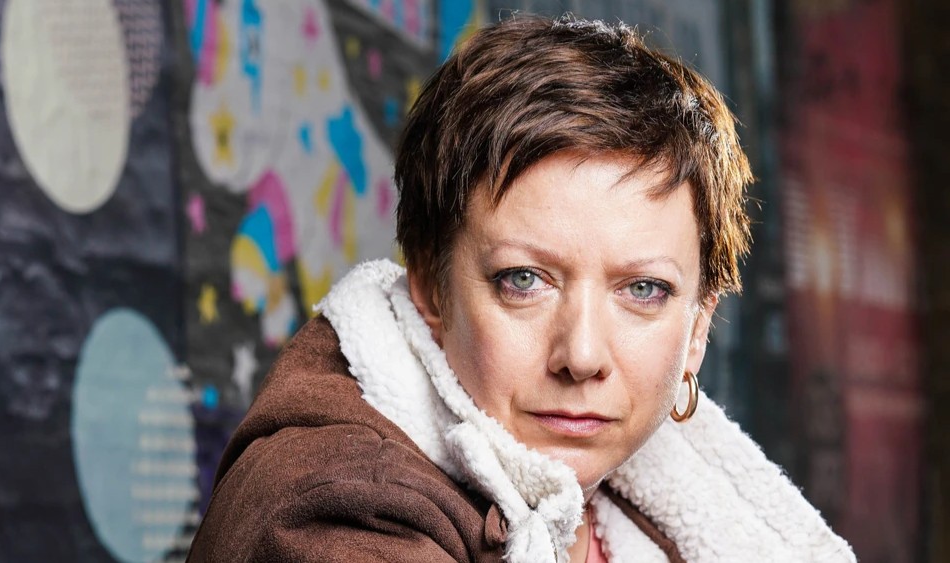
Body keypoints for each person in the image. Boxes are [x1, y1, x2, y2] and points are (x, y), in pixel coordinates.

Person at [187, 15, 854, 562]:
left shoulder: (650, 509)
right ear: (430, 286)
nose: (582, 355)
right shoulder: (339, 511)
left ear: (699, 324)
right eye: (524, 280)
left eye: (644, 289)